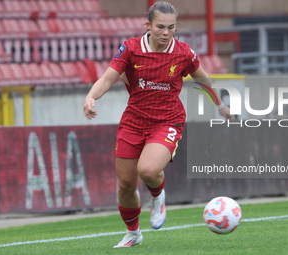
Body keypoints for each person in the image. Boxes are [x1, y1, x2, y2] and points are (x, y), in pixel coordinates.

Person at [83, 1, 234, 248]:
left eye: (171, 27)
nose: (166, 33)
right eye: (161, 27)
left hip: (167, 121)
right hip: (133, 122)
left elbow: (204, 81)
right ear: (149, 25)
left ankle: (157, 195)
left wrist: (221, 105)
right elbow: (108, 76)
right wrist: (91, 96)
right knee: (126, 184)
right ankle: (133, 234)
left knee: (149, 170)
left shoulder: (183, 53)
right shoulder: (131, 48)